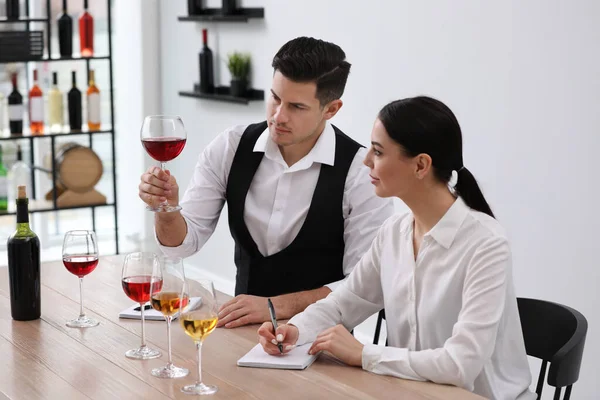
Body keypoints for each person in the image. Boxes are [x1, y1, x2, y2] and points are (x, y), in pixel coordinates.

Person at [257, 96, 535, 399]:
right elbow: (343, 303)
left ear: (420, 165)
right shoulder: (394, 233)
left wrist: (364, 354)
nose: (366, 160)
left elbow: (460, 364)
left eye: (378, 151)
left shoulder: (486, 245)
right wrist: (295, 330)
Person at [138, 37, 394, 329]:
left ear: (331, 109)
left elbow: (363, 289)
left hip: (320, 341)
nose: (278, 116)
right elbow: (180, 247)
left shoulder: (362, 173)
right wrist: (167, 209)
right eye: (275, 98)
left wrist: (274, 307)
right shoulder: (231, 147)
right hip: (241, 331)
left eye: (296, 106)